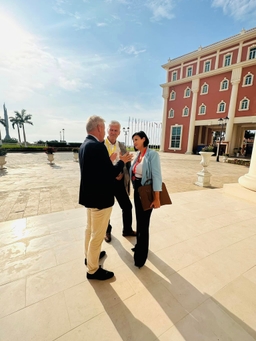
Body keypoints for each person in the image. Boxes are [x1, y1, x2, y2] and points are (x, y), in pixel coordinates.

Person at [79, 115, 133, 280]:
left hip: (90, 196)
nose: (106, 131)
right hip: (100, 198)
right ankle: (93, 270)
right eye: (105, 127)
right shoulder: (97, 146)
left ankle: (89, 257)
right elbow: (109, 173)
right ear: (100, 128)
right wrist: (122, 161)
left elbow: (97, 171)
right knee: (97, 234)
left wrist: (112, 163)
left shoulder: (85, 145)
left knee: (89, 229)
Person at [130, 131, 162, 268]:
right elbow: (135, 172)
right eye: (133, 140)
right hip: (138, 191)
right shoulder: (138, 155)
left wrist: (157, 198)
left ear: (144, 139)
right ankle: (139, 245)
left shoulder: (152, 155)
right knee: (139, 220)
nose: (134, 142)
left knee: (144, 224)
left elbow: (157, 176)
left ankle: (141, 258)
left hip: (147, 192)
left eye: (136, 139)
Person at [104, 120, 136, 242]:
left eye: (115, 130)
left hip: (119, 182)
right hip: (106, 183)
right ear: (107, 130)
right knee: (106, 209)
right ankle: (106, 231)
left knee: (127, 206)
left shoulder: (121, 146)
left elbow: (126, 163)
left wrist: (123, 173)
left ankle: (127, 229)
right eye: (111, 129)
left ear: (119, 132)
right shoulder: (101, 145)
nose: (113, 132)